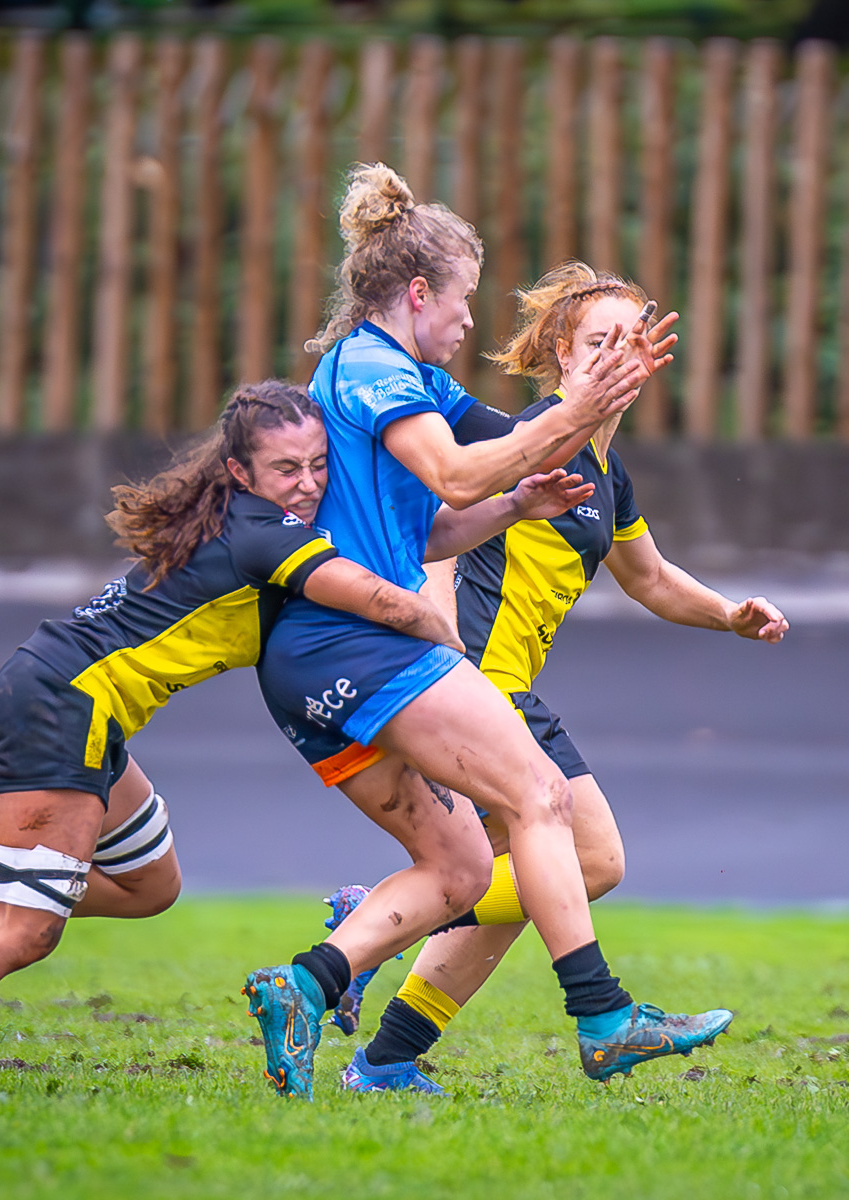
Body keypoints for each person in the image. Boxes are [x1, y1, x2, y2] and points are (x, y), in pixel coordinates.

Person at [0, 381, 583, 1090]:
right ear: (241, 473)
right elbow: (385, 598)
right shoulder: (264, 535)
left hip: (75, 704)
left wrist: (511, 507)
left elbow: (413, 543)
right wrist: (452, 669)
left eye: (318, 464)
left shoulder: (256, 518)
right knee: (27, 931)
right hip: (61, 704)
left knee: (151, 887)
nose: (309, 483)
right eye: (286, 470)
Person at [244, 163, 732, 1099]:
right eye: (464, 299)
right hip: (366, 645)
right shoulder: (376, 369)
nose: (472, 322)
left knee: (465, 868)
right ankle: (604, 1017)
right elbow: (460, 474)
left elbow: (469, 489)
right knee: (542, 806)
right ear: (420, 293)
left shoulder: (407, 377)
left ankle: (312, 990)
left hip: (331, 653)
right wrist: (573, 412)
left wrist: (525, 490)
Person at [326, 262, 790, 1094]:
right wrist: (443, 663)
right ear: (564, 359)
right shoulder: (527, 439)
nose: (616, 354)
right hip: (477, 687)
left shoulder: (606, 477)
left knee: (534, 885)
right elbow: (435, 531)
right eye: (597, 341)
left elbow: (648, 577)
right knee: (594, 863)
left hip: (502, 692)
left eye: (630, 338)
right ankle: (372, 930)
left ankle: (387, 1057)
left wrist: (730, 615)